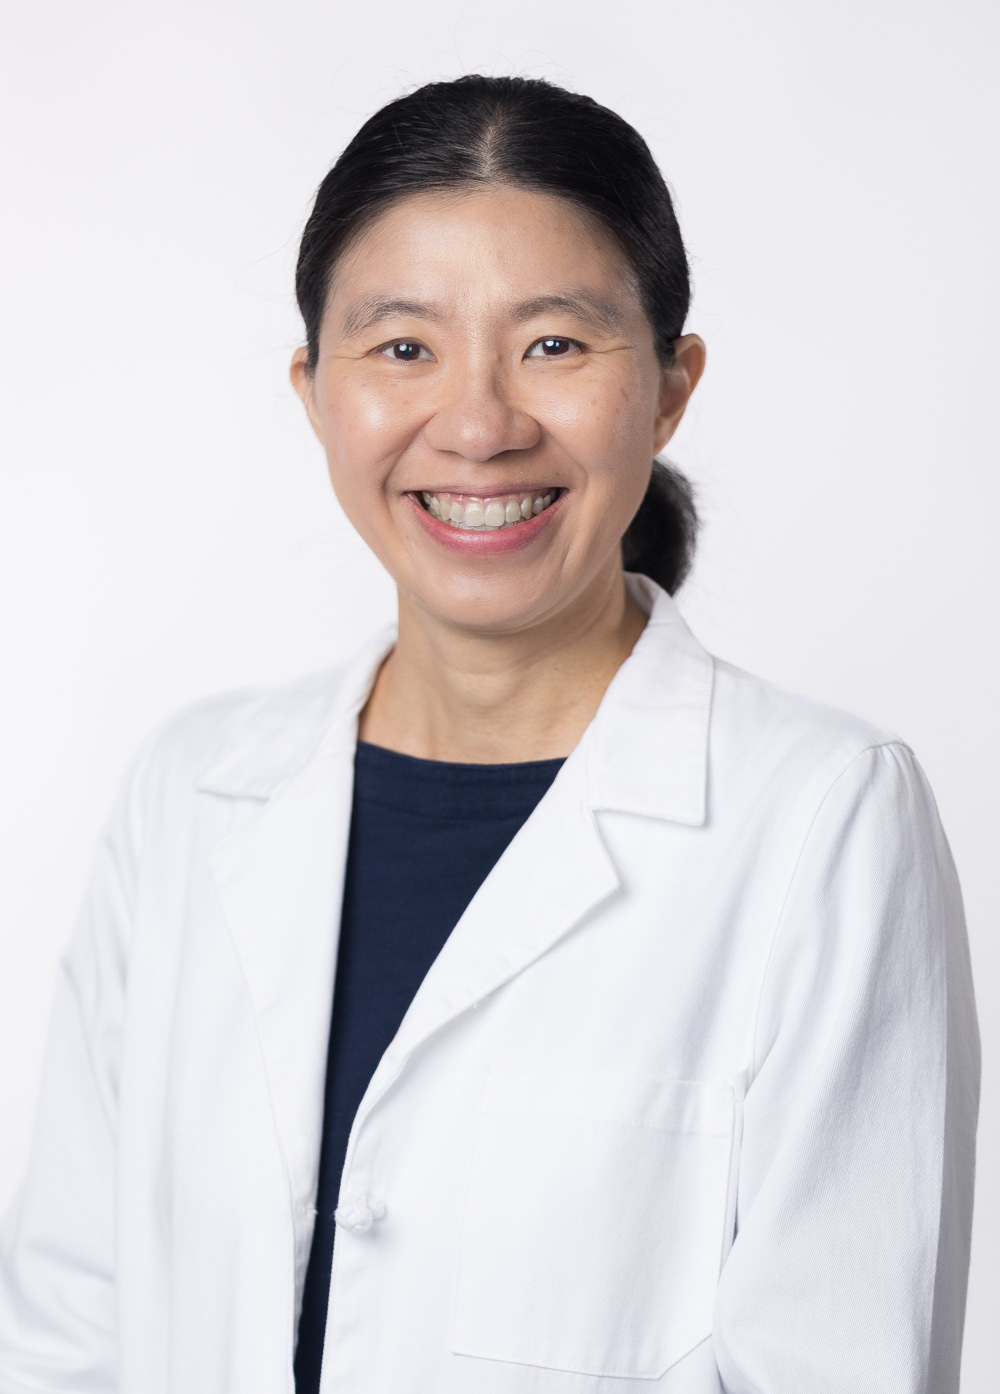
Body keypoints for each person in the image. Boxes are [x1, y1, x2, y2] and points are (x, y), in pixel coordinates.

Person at [0, 74, 979, 1394]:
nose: (476, 424)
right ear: (312, 386)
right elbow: (69, 1333)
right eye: (403, 347)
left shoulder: (823, 817)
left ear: (673, 385)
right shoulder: (191, 792)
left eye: (556, 345)